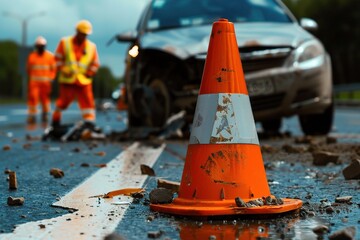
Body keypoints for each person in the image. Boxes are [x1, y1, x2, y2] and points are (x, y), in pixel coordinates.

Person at [51, 20, 100, 128]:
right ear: (77, 32)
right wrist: (63, 69)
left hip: (83, 80)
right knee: (63, 102)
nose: (83, 36)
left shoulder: (91, 47)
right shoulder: (65, 42)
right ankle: (55, 121)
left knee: (88, 102)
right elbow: (57, 59)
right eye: (82, 33)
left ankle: (89, 122)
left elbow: (95, 63)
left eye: (85, 34)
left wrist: (90, 72)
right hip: (68, 79)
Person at [26, 36, 56, 124]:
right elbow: (28, 69)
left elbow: (53, 69)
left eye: (42, 46)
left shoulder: (50, 56)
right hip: (34, 82)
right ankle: (32, 115)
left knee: (45, 99)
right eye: (39, 46)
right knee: (33, 98)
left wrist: (51, 78)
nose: (40, 48)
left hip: (46, 83)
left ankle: (45, 114)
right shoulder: (32, 56)